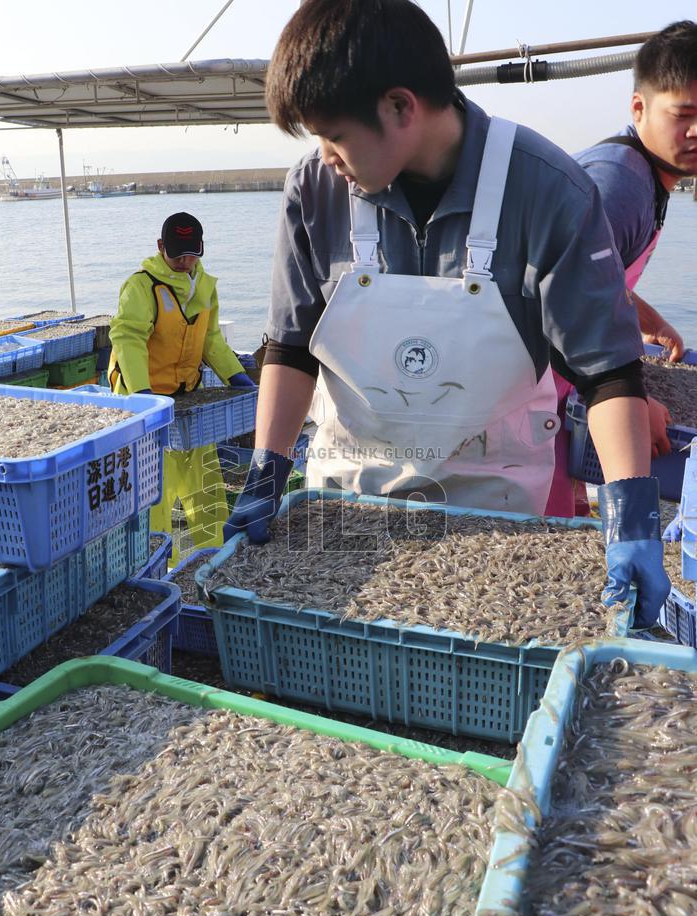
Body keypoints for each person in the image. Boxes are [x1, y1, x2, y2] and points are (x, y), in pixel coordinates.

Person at [224, 0, 671, 627]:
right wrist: (266, 470)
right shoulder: (315, 190)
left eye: (335, 136)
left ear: (401, 107)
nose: (325, 155)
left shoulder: (547, 190)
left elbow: (609, 373)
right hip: (348, 503)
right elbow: (290, 346)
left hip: (501, 510)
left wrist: (632, 516)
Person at [547, 20, 697, 517]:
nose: (696, 132)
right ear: (639, 107)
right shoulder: (620, 186)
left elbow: (596, 278)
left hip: (564, 392)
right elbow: (554, 298)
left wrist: (648, 319)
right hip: (532, 398)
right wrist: (629, 402)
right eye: (684, 115)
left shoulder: (651, 176)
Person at [109, 212, 255, 555]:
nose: (186, 262)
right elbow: (128, 339)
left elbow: (212, 340)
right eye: (177, 255)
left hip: (186, 402)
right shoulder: (141, 286)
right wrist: (143, 399)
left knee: (204, 483)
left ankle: (215, 554)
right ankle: (153, 559)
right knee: (152, 491)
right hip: (141, 406)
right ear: (161, 247)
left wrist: (237, 377)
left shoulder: (204, 286)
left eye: (192, 254)